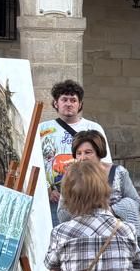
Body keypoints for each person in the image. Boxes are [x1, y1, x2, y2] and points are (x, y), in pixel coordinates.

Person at [55, 130, 140, 241]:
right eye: (79, 153)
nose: (83, 158)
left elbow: (136, 202)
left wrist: (111, 210)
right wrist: (85, 212)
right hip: (83, 237)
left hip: (118, 236)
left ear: (99, 152)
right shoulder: (71, 176)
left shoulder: (119, 173)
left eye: (88, 152)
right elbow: (61, 213)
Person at [37, 79, 110, 213]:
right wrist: (47, 189)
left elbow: (105, 163)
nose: (69, 104)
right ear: (56, 103)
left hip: (86, 198)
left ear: (80, 104)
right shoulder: (42, 129)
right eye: (64, 100)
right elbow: (36, 162)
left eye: (73, 100)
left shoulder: (93, 128)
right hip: (52, 199)